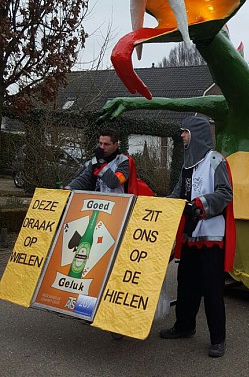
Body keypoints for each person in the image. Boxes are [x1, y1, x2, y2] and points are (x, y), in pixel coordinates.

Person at [159, 115, 235, 358]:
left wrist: (200, 204)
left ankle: (218, 339)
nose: (181, 136)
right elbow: (178, 194)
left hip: (211, 237)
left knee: (212, 289)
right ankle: (184, 326)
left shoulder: (216, 161)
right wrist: (158, 206)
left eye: (185, 131)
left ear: (196, 134)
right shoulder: (187, 165)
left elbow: (225, 193)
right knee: (186, 284)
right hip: (190, 236)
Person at [65, 129, 153, 195]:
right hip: (99, 203)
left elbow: (114, 182)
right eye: (100, 143)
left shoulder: (124, 161)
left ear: (116, 145)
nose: (102, 147)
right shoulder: (95, 161)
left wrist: (101, 164)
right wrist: (69, 188)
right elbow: (84, 179)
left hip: (120, 204)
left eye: (106, 144)